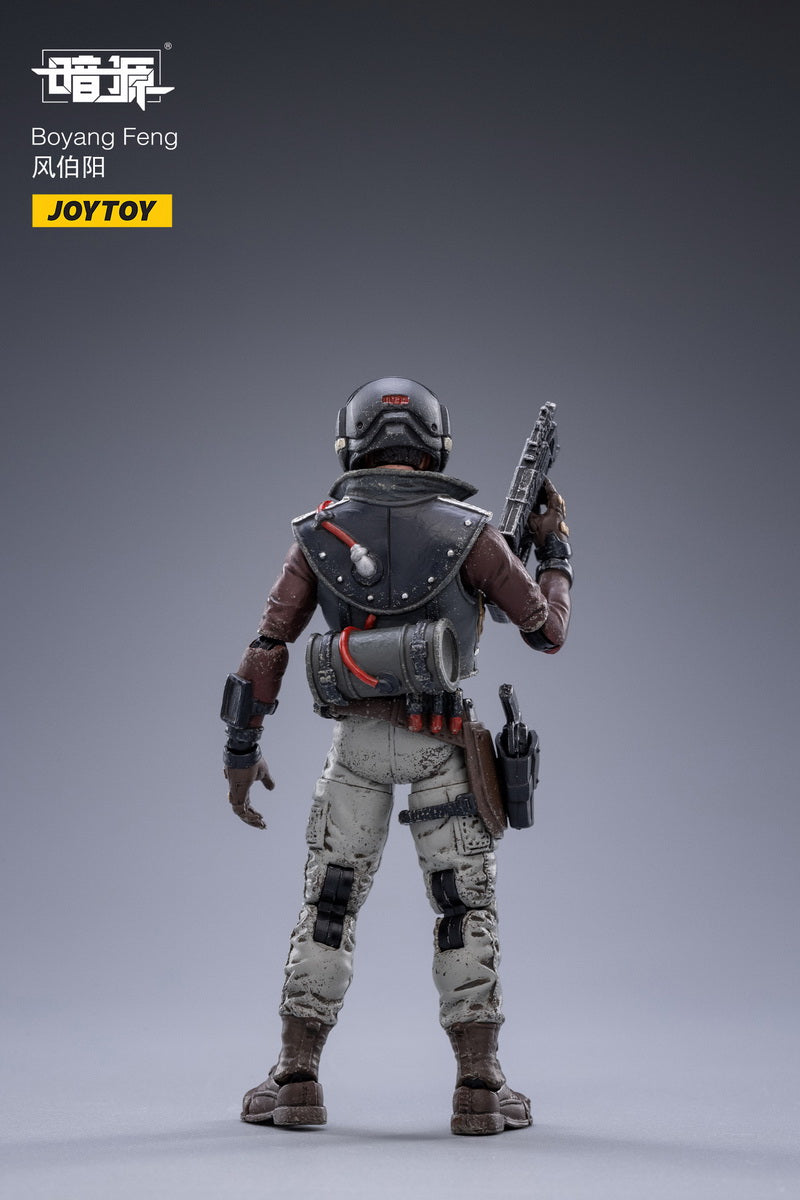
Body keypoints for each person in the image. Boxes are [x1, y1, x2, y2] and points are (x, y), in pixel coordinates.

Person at [221, 377, 572, 1136]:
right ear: (435, 444)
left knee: (330, 902)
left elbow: (268, 645)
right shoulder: (474, 533)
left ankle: (296, 1078)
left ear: (351, 443)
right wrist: (555, 547)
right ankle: (479, 1086)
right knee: (461, 905)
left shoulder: (318, 533)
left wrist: (241, 751)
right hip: (443, 746)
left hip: (355, 746)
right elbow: (546, 631)